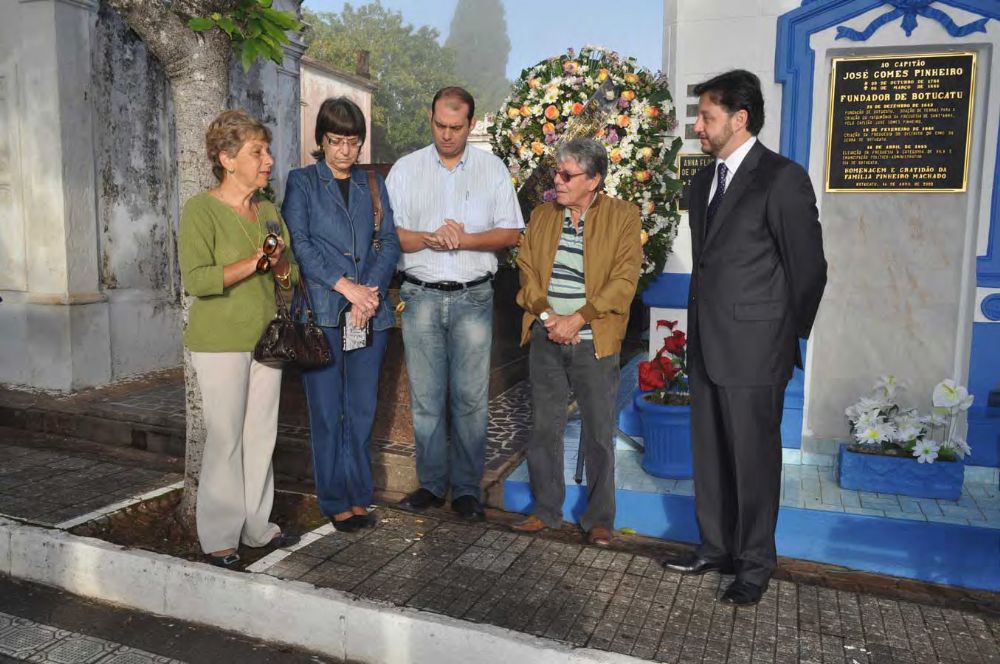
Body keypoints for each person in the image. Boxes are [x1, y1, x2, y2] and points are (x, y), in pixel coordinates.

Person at [661, 70, 827, 605]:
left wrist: (784, 339)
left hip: (757, 351)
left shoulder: (781, 178)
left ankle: (754, 565)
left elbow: (809, 271)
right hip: (707, 345)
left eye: (706, 117)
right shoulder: (701, 181)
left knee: (754, 461)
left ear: (740, 119)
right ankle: (714, 547)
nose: (697, 127)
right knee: (708, 454)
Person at [386, 86, 523, 521]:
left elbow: (511, 233)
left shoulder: (491, 169)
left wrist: (463, 239)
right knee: (426, 399)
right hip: (420, 297)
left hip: (473, 298)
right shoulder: (405, 170)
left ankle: (465, 490)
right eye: (440, 126)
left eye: (456, 127)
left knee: (469, 400)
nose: (447, 135)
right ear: (431, 120)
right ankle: (429, 484)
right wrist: (429, 237)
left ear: (471, 124)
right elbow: (388, 235)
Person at [178, 109, 301, 568]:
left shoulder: (268, 210)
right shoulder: (201, 210)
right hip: (220, 342)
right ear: (227, 159)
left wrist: (282, 264)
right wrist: (255, 263)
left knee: (260, 435)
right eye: (257, 152)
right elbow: (198, 279)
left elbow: (289, 276)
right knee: (226, 438)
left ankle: (257, 526)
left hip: (267, 339)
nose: (268, 160)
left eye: (267, 150)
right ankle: (219, 538)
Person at [511, 139, 642, 546]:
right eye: (556, 172)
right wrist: (550, 318)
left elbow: (624, 281)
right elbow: (526, 270)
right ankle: (546, 510)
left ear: (594, 180)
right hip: (547, 336)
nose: (558, 181)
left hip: (594, 341)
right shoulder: (542, 216)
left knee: (599, 432)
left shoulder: (623, 217)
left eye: (567, 175)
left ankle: (600, 518)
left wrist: (578, 319)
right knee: (544, 428)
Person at [282, 97, 400, 532]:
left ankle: (358, 496)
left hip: (369, 314)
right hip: (323, 314)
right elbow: (300, 243)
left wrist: (366, 294)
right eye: (336, 141)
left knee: (362, 409)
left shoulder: (374, 183)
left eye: (353, 142)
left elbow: (388, 242)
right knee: (328, 412)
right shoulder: (303, 182)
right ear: (321, 139)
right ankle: (334, 499)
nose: (345, 151)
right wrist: (345, 287)